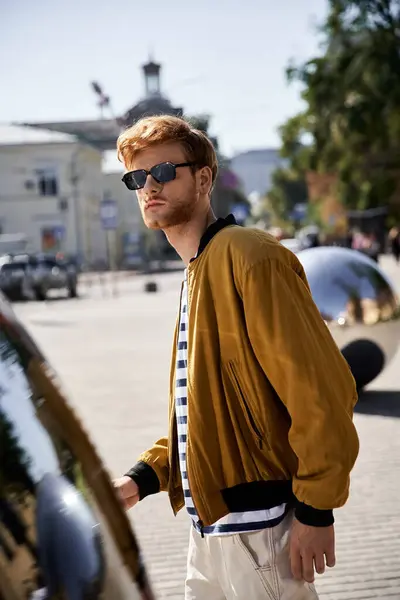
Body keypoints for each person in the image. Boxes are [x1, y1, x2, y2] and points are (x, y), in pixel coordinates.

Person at [113, 115, 360, 600]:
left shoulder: (249, 256)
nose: (148, 187)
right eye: (136, 178)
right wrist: (141, 478)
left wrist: (316, 510)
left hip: (261, 532)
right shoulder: (197, 272)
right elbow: (209, 413)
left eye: (163, 172)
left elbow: (322, 391)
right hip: (209, 534)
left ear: (204, 179)